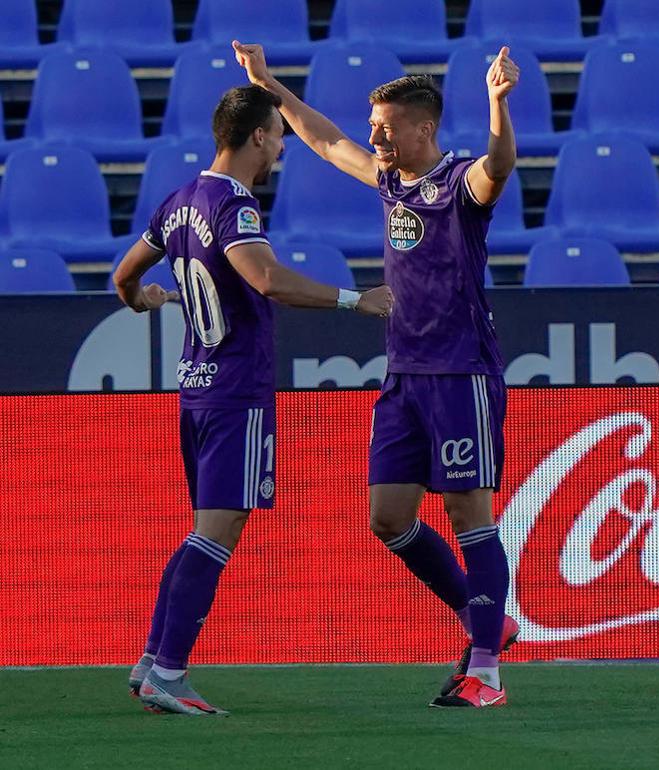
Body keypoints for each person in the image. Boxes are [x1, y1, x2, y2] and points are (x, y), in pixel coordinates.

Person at [233, 41, 520, 708]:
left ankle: (487, 670)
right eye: (373, 126)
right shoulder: (392, 181)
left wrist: (498, 106)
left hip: (460, 373)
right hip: (404, 376)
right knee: (388, 519)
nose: (373, 136)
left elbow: (499, 165)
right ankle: (490, 621)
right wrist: (270, 84)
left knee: (467, 512)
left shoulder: (458, 185)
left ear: (423, 128)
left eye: (384, 127)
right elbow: (328, 141)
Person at [116, 85, 393, 715]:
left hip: (194, 389)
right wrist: (356, 299)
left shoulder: (180, 198)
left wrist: (145, 300)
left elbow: (123, 277)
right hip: (235, 388)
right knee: (219, 529)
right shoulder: (232, 204)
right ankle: (169, 669)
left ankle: (153, 656)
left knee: (205, 530)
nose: (280, 149)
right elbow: (267, 279)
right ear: (258, 137)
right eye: (278, 136)